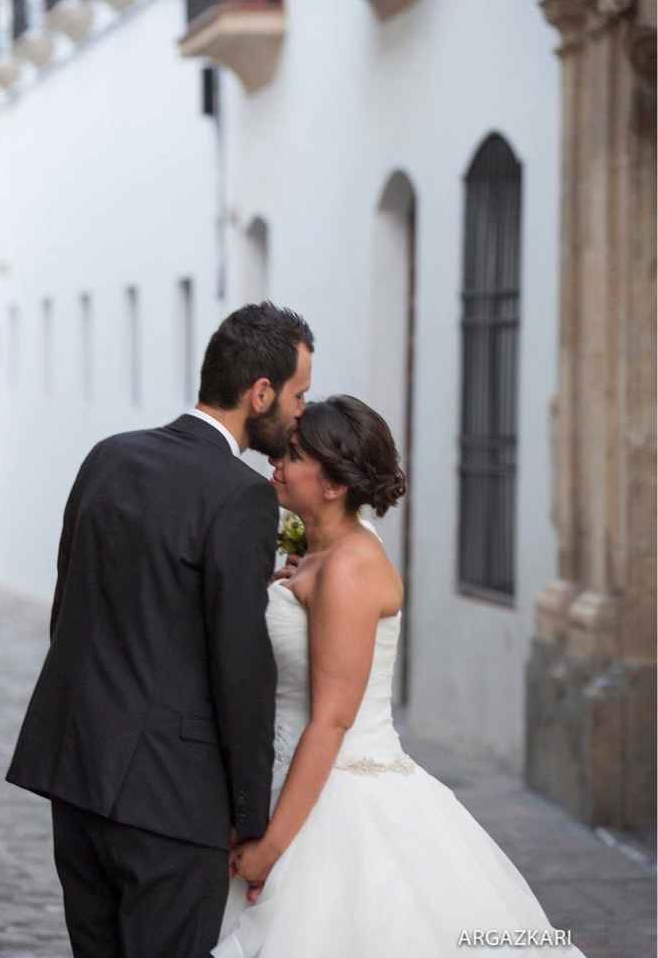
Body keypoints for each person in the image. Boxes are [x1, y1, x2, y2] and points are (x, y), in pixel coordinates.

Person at [212, 395, 587, 958]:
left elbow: (333, 719)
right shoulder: (320, 554)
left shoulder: (350, 567)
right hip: (292, 777)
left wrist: (272, 849)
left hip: (336, 795)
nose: (277, 465)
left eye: (293, 456)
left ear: (334, 483)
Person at [5, 301, 314, 958]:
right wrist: (250, 817)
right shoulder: (240, 495)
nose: (299, 414)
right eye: (297, 395)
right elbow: (241, 666)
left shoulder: (107, 458)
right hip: (174, 798)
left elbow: (70, 610)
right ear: (259, 392)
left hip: (77, 775)